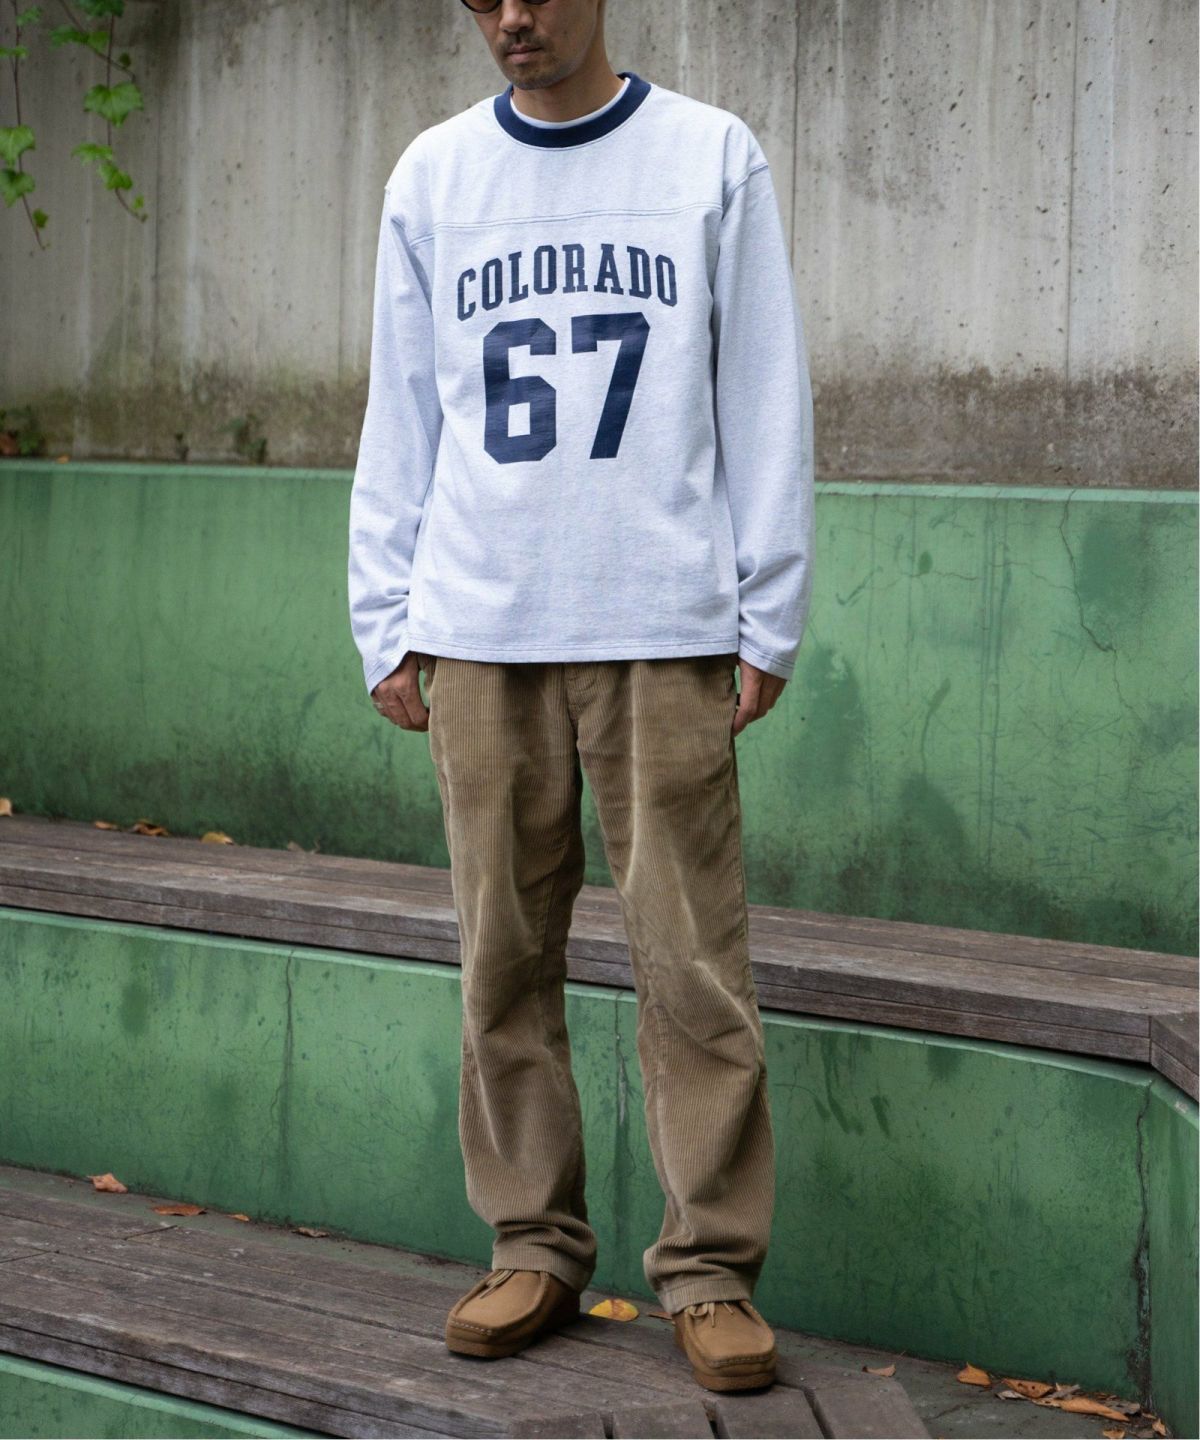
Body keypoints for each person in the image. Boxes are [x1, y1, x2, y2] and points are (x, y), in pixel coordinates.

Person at [347, 0, 814, 1395]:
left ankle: (711, 1268)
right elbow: (402, 407)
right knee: (501, 959)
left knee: (692, 965)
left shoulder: (709, 156)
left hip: (662, 622)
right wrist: (384, 612)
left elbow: (765, 390)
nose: (513, 18)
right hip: (481, 627)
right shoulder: (436, 175)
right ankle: (532, 1243)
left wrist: (768, 607)